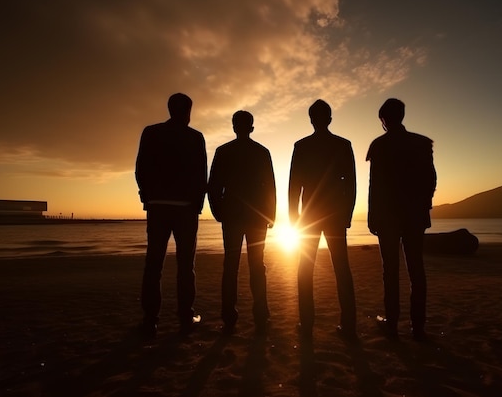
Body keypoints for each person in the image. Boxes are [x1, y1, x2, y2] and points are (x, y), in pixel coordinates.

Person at [135, 93, 207, 338]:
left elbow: (140, 167)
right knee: (186, 265)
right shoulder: (195, 137)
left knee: (153, 264)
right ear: (188, 111)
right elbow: (201, 175)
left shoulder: (151, 132)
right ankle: (185, 316)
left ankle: (150, 320)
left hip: (158, 206)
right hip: (185, 208)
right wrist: (197, 205)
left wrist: (147, 196)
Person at [366, 98, 437, 341]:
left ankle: (393, 324)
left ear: (384, 120)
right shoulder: (421, 143)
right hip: (414, 216)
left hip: (388, 217)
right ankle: (417, 327)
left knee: (391, 271)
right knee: (416, 269)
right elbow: (431, 180)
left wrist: (372, 216)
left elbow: (374, 186)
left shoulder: (380, 146)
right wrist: (424, 206)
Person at [288, 99, 357, 340]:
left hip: (309, 215)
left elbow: (294, 185)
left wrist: (293, 217)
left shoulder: (302, 146)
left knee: (305, 268)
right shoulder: (343, 145)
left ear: (311, 119)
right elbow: (351, 184)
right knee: (341, 268)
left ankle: (306, 324)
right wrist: (347, 214)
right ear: (329, 119)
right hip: (335, 214)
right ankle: (348, 325)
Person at [208, 110, 276, 334]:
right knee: (257, 265)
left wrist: (219, 211)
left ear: (234, 127)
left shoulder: (224, 151)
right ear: (251, 127)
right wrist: (271, 214)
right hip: (255, 217)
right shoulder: (261, 152)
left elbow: (214, 187)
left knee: (232, 266)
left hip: (234, 216)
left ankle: (230, 316)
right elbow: (270, 187)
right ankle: (260, 314)